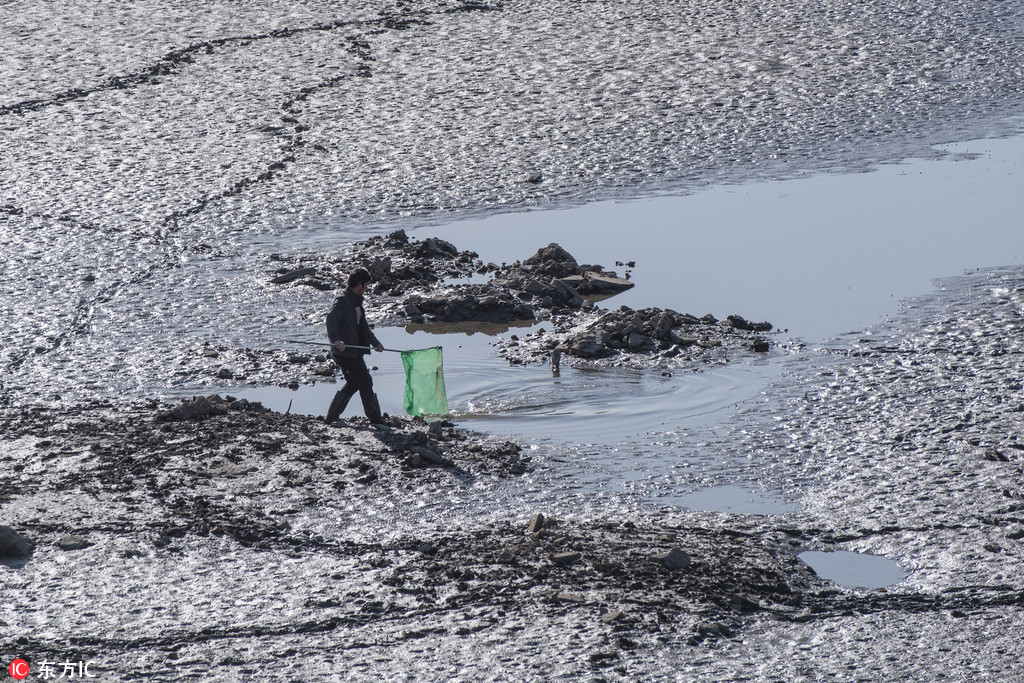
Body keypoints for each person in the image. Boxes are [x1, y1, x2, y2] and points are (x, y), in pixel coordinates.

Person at [324, 268, 385, 424]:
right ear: (359, 285)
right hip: (344, 352)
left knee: (353, 383)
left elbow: (362, 328)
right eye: (366, 286)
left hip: (354, 351)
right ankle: (376, 419)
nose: (366, 289)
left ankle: (331, 417)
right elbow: (330, 319)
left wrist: (376, 343)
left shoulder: (357, 300)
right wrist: (336, 340)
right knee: (365, 381)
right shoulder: (343, 300)